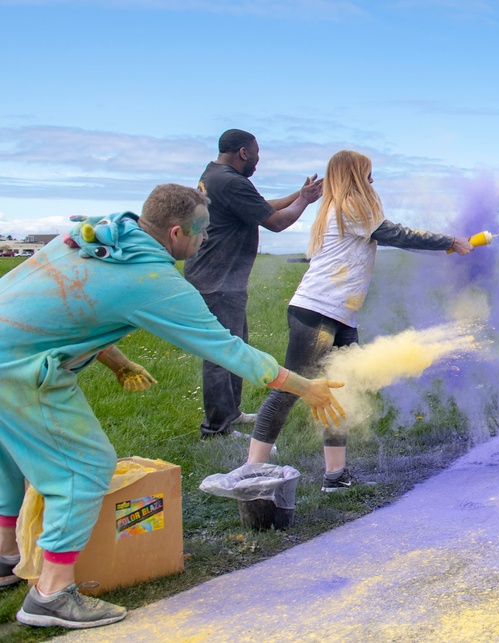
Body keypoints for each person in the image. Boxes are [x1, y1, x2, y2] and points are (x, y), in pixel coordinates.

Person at [0, 184, 346, 629]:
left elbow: (62, 307)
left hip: (9, 349)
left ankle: (7, 555)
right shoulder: (152, 281)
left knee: (10, 458)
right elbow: (229, 350)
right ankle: (50, 594)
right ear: (177, 232)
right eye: (202, 232)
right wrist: (306, 387)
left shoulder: (102, 236)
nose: (205, 240)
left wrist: (117, 361)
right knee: (83, 469)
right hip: (17, 371)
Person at [246, 150, 474, 492]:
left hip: (339, 315)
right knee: (292, 388)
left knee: (340, 391)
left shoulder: (345, 207)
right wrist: (450, 240)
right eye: (368, 174)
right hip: (317, 311)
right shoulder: (351, 206)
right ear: (353, 176)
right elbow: (396, 234)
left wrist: (445, 249)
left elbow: (395, 239)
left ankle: (335, 476)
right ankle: (250, 473)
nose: (372, 181)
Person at [185, 129, 324, 439]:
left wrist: (300, 196)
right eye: (257, 154)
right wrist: (303, 203)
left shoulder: (215, 175)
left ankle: (231, 413)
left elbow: (261, 204)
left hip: (214, 276)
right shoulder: (232, 182)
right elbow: (276, 222)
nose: (258, 160)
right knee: (222, 354)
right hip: (217, 281)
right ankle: (217, 429)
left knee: (235, 347)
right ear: (244, 152)